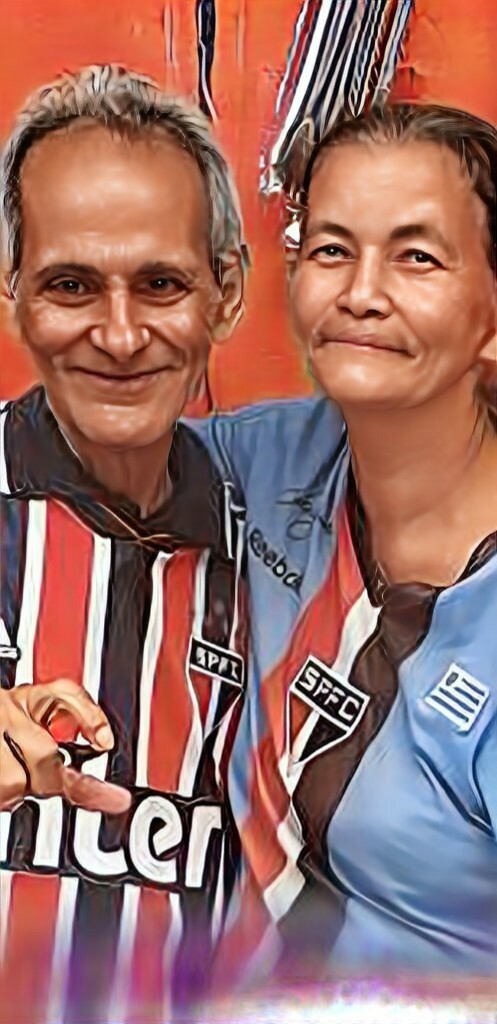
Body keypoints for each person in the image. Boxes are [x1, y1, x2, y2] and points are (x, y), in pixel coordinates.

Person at [190, 102, 497, 989]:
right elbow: (50, 466)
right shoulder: (266, 461)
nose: (360, 291)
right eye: (330, 249)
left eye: (416, 256)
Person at [0, 65, 248, 1024]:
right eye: (71, 284)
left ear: (226, 292)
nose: (118, 333)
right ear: (14, 290)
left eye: (161, 283)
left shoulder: (285, 553)